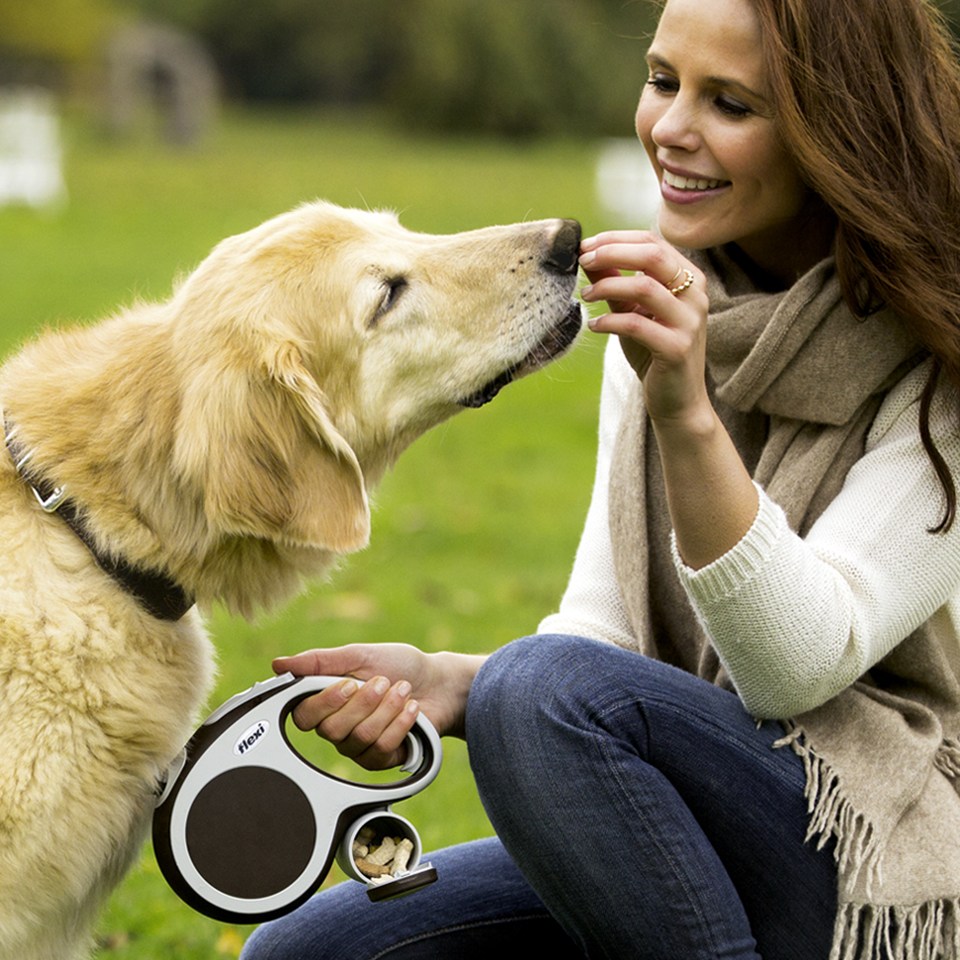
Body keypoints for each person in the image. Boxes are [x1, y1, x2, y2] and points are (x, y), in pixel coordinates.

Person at [240, 0, 960, 956]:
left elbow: (801, 661)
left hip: (882, 854)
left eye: (730, 104)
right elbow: (601, 642)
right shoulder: (676, 301)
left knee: (537, 689)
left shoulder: (938, 355)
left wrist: (688, 414)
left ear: (837, 136)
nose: (669, 128)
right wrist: (450, 684)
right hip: (693, 815)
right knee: (310, 952)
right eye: (663, 82)